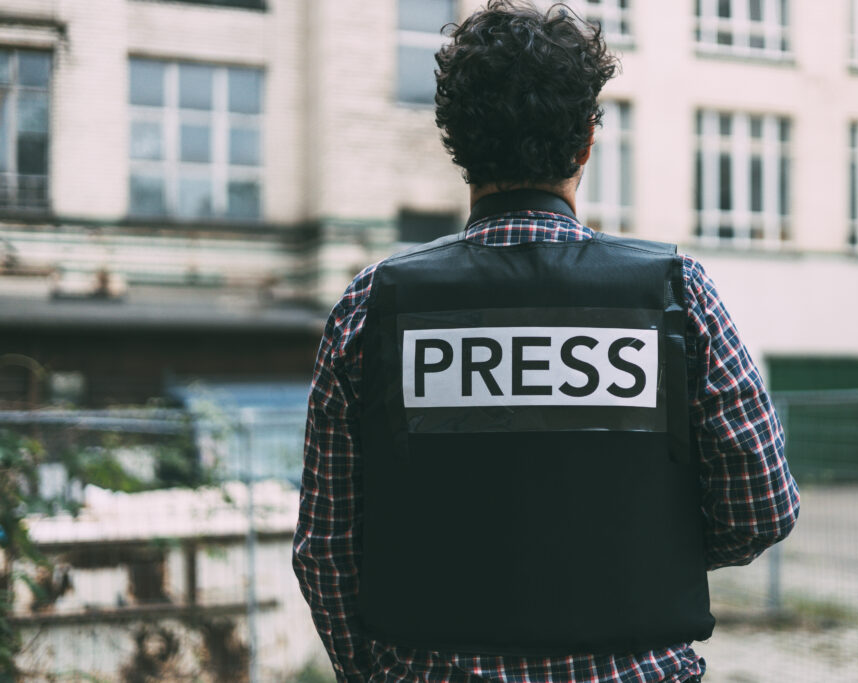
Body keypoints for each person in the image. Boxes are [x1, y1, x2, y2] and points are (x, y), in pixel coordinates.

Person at [292, 2, 800, 681]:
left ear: (455, 140)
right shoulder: (678, 292)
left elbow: (327, 548)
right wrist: (635, 552)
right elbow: (761, 507)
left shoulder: (371, 305)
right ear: (588, 140)